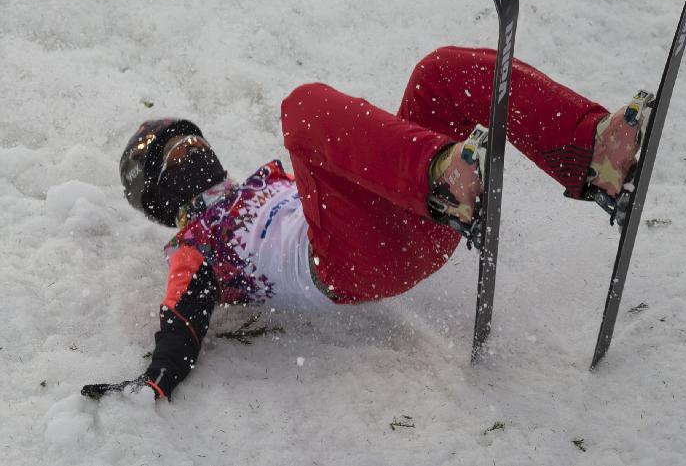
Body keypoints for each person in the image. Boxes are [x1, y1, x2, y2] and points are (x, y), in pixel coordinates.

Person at [81, 46, 642, 401]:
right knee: (303, 107)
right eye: (177, 156)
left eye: (193, 139)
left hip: (415, 218)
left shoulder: (262, 185)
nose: (193, 149)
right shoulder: (194, 249)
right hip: (349, 262)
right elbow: (180, 322)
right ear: (158, 195)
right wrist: (152, 382)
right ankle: (441, 179)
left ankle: (591, 154)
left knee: (439, 75)